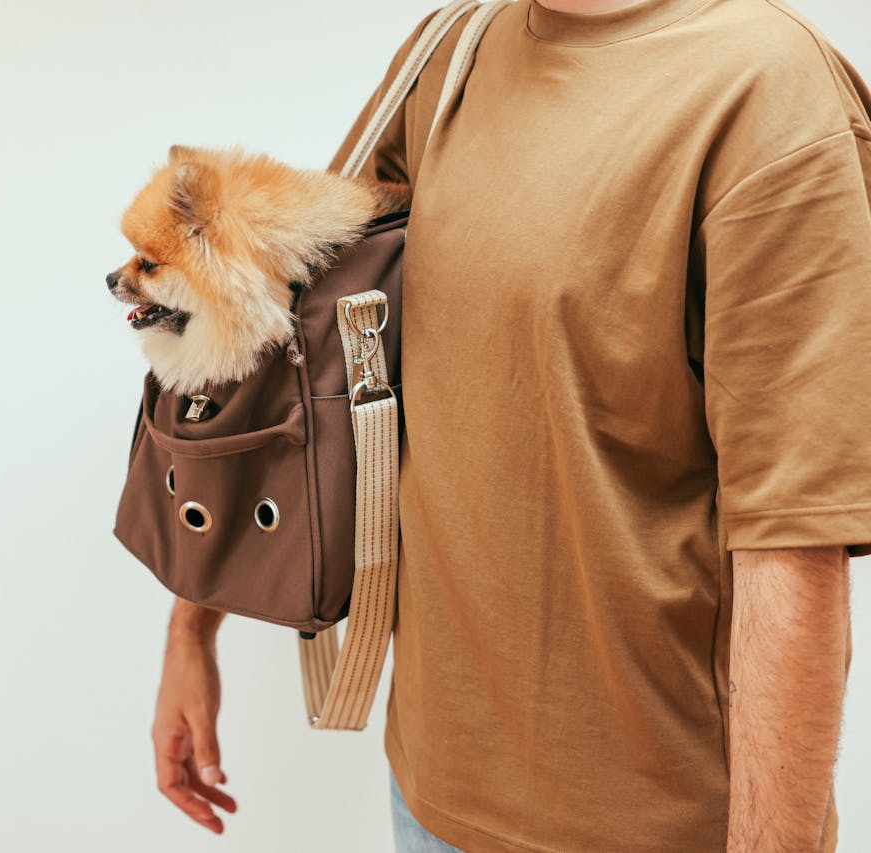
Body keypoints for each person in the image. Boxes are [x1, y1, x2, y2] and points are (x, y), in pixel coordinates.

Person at [149, 0, 871, 849]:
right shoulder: (453, 47)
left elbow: (792, 533)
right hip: (428, 793)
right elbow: (287, 342)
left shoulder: (766, 91)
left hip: (655, 823)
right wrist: (191, 625)